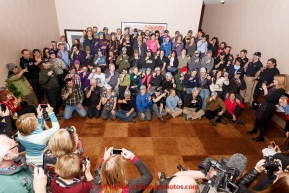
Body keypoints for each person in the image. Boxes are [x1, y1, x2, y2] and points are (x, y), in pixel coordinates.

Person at [247, 74, 287, 142]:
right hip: (264, 105)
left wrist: (265, 89)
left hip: (268, 108)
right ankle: (254, 130)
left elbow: (268, 98)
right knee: (258, 118)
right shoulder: (274, 87)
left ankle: (260, 137)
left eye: (275, 80)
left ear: (280, 81)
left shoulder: (280, 91)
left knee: (263, 123)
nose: (273, 80)